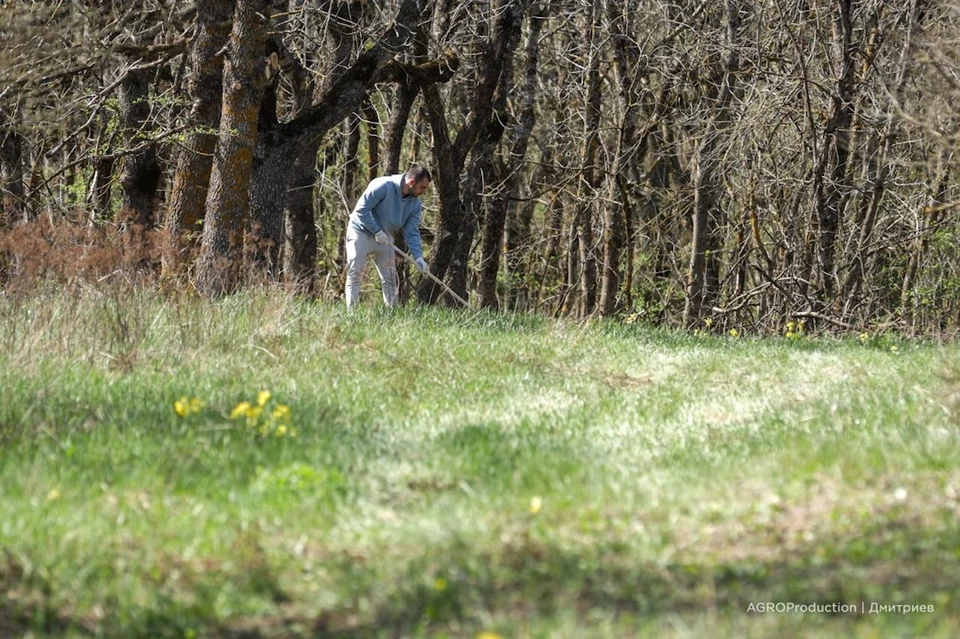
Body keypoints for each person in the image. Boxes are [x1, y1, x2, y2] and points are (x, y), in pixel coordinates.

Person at [344, 164, 431, 309]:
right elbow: (361, 210)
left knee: (390, 279)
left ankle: (392, 314)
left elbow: (412, 232)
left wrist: (418, 257)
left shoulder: (415, 204)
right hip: (360, 232)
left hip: (385, 238)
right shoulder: (383, 186)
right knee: (355, 274)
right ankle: (352, 313)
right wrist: (377, 231)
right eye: (422, 187)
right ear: (411, 182)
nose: (424, 192)